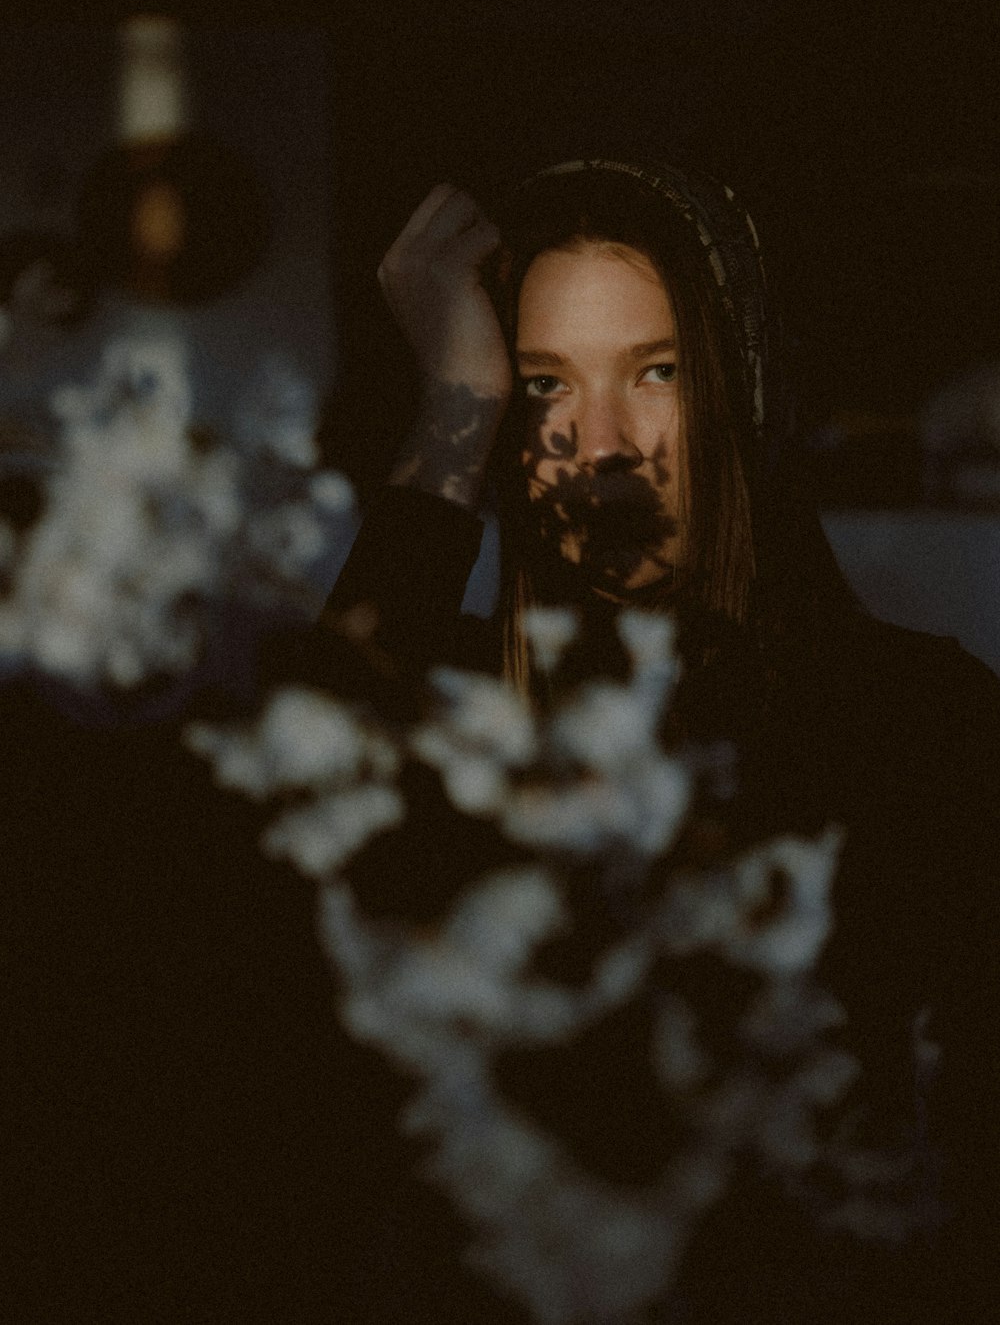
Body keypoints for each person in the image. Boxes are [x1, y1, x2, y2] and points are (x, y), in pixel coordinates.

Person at [322, 159, 999, 1320]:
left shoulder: (918, 719)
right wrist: (451, 404)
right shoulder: (455, 712)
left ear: (733, 390)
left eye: (658, 371)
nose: (605, 444)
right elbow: (287, 851)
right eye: (542, 387)